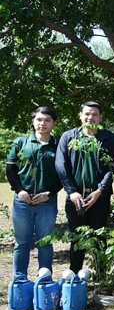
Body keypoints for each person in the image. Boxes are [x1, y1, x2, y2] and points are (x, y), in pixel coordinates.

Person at [55, 101, 114, 273]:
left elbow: (112, 167)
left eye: (95, 114)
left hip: (99, 196)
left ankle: (101, 276)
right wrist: (72, 192)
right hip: (75, 197)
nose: (90, 117)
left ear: (100, 117)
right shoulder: (69, 137)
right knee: (77, 237)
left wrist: (100, 190)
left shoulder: (108, 138)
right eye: (87, 114)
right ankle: (75, 274)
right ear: (80, 115)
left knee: (99, 236)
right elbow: (61, 166)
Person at [6, 107, 62, 275]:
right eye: (38, 120)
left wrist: (49, 193)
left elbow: (64, 175)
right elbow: (10, 170)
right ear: (33, 121)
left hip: (47, 202)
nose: (42, 123)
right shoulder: (20, 143)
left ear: (54, 123)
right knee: (21, 243)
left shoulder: (59, 145)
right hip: (22, 201)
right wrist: (20, 190)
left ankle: (44, 278)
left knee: (45, 242)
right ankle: (20, 279)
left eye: (46, 120)